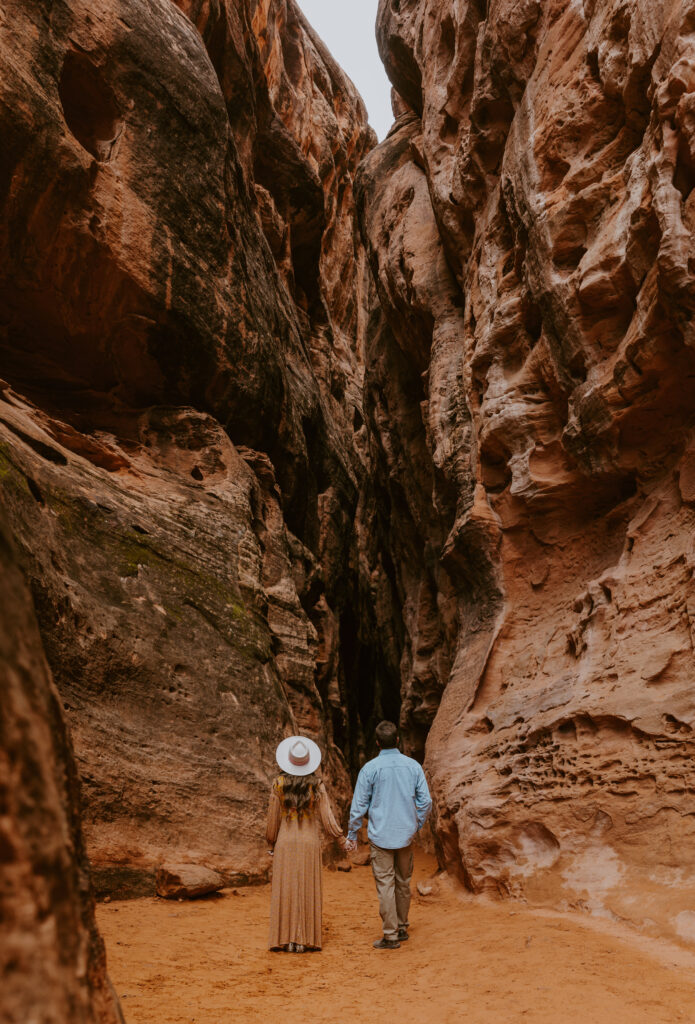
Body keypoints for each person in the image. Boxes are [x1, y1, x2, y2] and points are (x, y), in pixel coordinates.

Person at [345, 720, 432, 950]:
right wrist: (416, 824)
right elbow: (426, 801)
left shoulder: (370, 769)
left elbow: (358, 806)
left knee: (386, 884)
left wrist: (353, 834)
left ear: (376, 743)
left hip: (380, 836)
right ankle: (402, 926)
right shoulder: (413, 766)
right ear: (397, 741)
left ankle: (390, 935)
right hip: (405, 835)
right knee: (403, 881)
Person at [266, 735, 346, 952]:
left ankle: (287, 938)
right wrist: (340, 838)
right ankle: (303, 938)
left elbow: (273, 818)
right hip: (309, 842)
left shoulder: (278, 784)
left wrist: (270, 842)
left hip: (285, 841)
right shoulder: (316, 785)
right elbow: (326, 817)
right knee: (306, 887)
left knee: (287, 887)